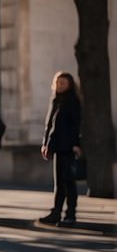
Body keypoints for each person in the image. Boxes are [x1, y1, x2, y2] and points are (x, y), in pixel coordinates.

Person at [39, 70, 82, 226]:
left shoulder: (72, 101)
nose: (59, 85)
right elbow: (49, 126)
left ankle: (70, 214)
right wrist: (45, 144)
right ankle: (56, 212)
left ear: (69, 85)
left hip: (68, 146)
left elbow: (76, 125)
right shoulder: (55, 100)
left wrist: (76, 144)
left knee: (68, 182)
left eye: (62, 83)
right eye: (57, 82)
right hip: (56, 146)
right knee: (59, 182)